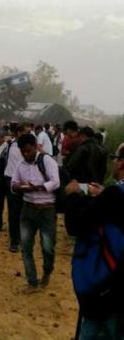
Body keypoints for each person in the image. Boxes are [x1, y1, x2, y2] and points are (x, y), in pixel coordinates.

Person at [64, 143, 124, 339]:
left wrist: (74, 193)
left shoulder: (114, 195)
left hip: (105, 289)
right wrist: (103, 194)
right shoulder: (113, 194)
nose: (113, 163)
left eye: (115, 158)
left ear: (122, 163)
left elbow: (75, 224)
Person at [11, 133, 60, 294]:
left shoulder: (47, 160)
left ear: (35, 147)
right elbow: (13, 183)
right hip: (28, 208)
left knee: (47, 247)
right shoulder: (20, 164)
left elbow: (55, 182)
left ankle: (47, 272)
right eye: (23, 151)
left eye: (29, 150)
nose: (26, 154)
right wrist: (19, 187)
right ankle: (32, 282)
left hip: (47, 209)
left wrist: (38, 187)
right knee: (26, 246)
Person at [0, 123, 26, 253]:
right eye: (22, 132)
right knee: (13, 212)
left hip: (26, 184)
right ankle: (14, 241)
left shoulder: (31, 147)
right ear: (17, 133)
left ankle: (22, 238)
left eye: (26, 132)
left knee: (24, 212)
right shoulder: (8, 145)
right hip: (10, 181)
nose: (24, 135)